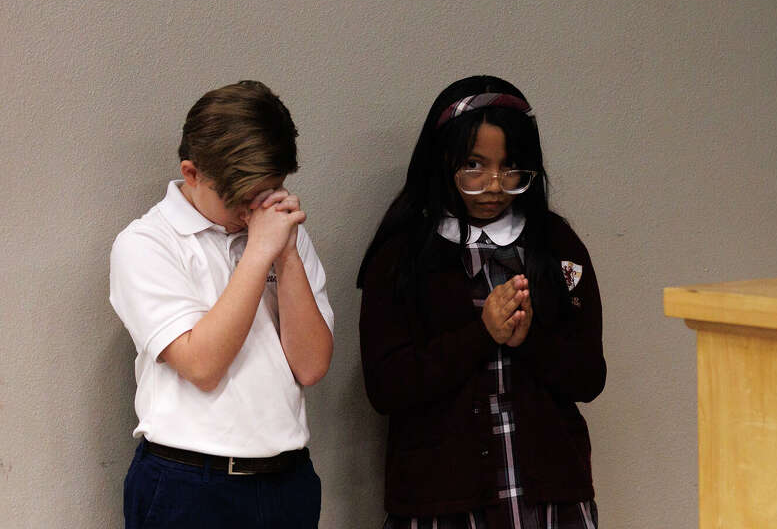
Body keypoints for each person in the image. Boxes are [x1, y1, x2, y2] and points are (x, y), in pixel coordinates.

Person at [358, 75, 605, 528]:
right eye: (474, 164)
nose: (494, 184)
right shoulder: (401, 255)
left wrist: (527, 340)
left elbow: (589, 377)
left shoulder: (558, 245)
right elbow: (386, 387)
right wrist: (480, 334)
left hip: (551, 495)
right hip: (442, 500)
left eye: (511, 167)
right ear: (441, 161)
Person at [109, 80, 334, 529]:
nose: (253, 210)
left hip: (286, 480)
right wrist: (257, 253)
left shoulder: (283, 234)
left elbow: (310, 367)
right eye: (239, 198)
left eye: (267, 191)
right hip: (189, 485)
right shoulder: (146, 242)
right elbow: (202, 365)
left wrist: (285, 253)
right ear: (191, 173)